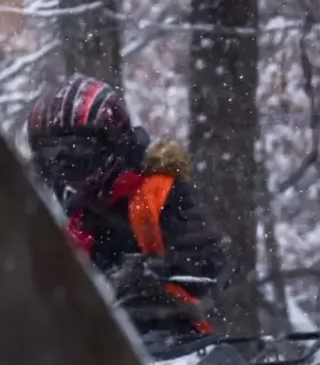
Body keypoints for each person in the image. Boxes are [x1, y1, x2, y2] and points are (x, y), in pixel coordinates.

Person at [25, 76, 227, 333]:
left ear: (113, 143)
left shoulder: (158, 191)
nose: (65, 163)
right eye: (53, 153)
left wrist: (152, 274)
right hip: (67, 348)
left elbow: (208, 257)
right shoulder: (41, 203)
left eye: (78, 149)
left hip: (165, 340)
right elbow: (16, 258)